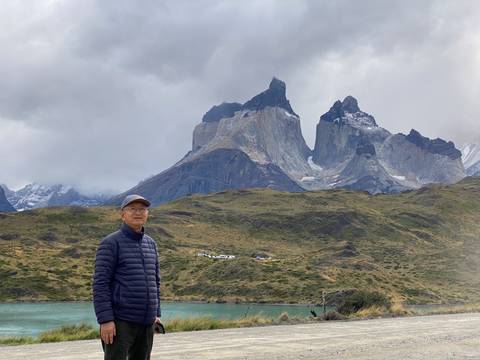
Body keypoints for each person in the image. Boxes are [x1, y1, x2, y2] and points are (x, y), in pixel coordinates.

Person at [93, 194, 162, 360]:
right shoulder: (110, 243)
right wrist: (106, 320)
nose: (138, 213)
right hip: (120, 322)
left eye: (142, 209)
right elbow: (100, 284)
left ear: (147, 214)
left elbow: (155, 281)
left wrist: (156, 313)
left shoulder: (151, 243)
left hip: (146, 322)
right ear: (122, 214)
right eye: (132, 209)